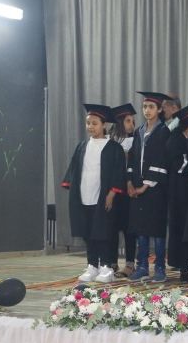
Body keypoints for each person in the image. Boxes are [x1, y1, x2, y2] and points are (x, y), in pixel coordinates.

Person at [62, 104, 125, 282]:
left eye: (94, 123)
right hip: (84, 196)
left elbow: (118, 173)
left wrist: (111, 194)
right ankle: (92, 265)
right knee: (88, 232)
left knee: (103, 232)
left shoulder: (113, 148)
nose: (90, 126)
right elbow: (75, 170)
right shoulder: (82, 146)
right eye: (88, 123)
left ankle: (106, 266)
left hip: (102, 197)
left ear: (104, 125)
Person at [128, 91, 171, 282]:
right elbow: (132, 157)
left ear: (159, 109)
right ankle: (142, 266)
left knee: (157, 229)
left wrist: (146, 185)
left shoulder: (163, 131)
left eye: (151, 107)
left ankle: (160, 267)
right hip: (137, 187)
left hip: (156, 189)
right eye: (145, 106)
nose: (147, 110)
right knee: (141, 229)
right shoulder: (138, 131)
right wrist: (130, 181)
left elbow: (162, 160)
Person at [166, 103, 188, 282]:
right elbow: (175, 163)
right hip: (179, 190)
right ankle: (183, 265)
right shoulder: (175, 138)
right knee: (182, 225)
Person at [109, 103, 138, 277]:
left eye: (133, 121)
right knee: (112, 227)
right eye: (128, 121)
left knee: (129, 229)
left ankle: (129, 263)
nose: (131, 125)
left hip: (128, 190)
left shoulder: (136, 141)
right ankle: (112, 263)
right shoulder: (109, 142)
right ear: (120, 122)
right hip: (113, 190)